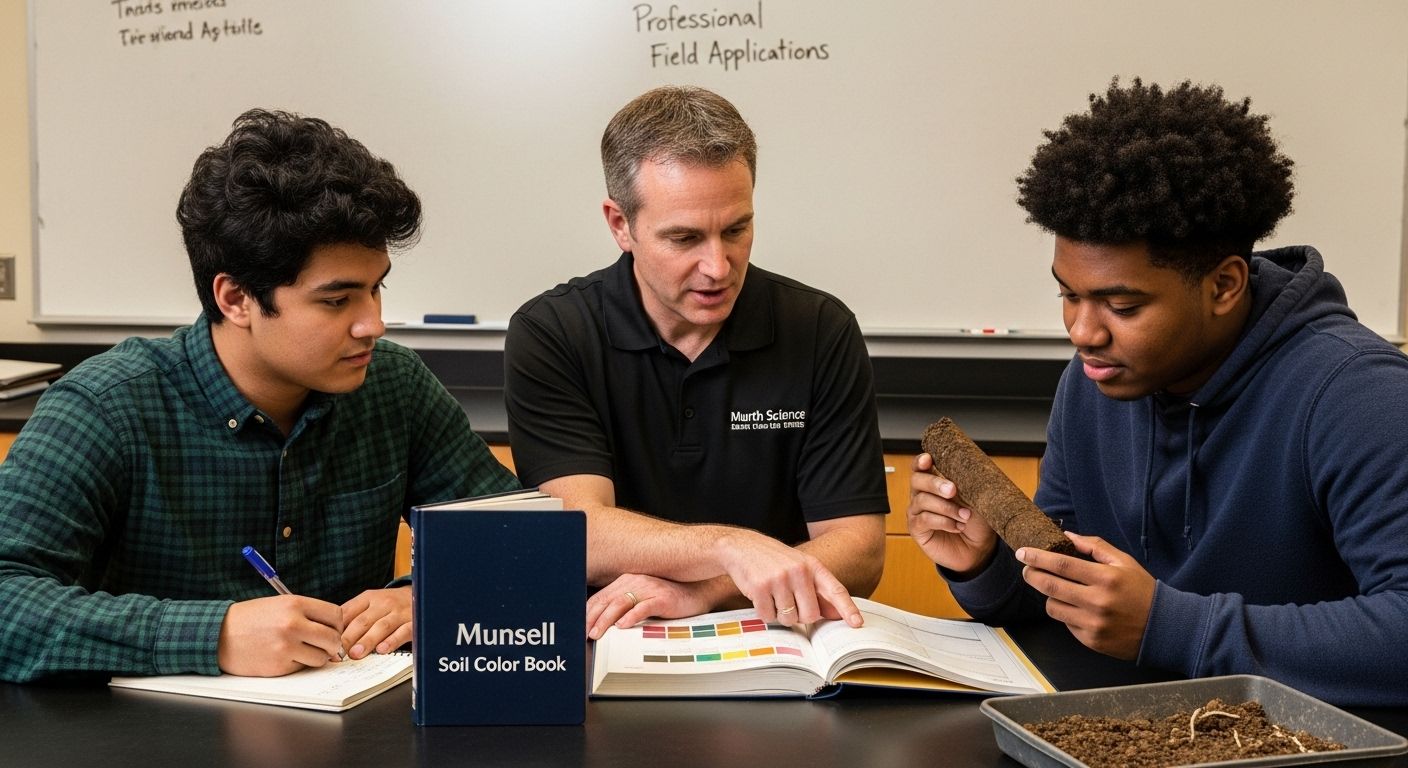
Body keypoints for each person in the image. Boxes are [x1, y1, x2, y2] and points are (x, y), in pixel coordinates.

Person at [906, 77, 1408, 706]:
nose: (1082, 332)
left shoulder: (1358, 396)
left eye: (1121, 304)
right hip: (1136, 730)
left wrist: (1172, 627)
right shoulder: (1092, 385)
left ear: (1224, 286)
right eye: (1068, 294)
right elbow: (1067, 596)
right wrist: (982, 567)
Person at [0, 109, 518, 683]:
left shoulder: (393, 386)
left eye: (376, 289)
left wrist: (429, 595)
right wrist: (215, 635)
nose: (373, 323)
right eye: (336, 300)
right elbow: (7, 600)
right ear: (236, 299)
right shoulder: (105, 408)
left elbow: (516, 541)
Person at [504, 86, 887, 639]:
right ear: (620, 224)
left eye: (736, 230)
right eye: (684, 238)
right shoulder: (553, 332)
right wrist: (730, 547)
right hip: (607, 635)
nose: (718, 266)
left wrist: (702, 593)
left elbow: (860, 551)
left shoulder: (820, 328)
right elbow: (577, 531)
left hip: (772, 635)